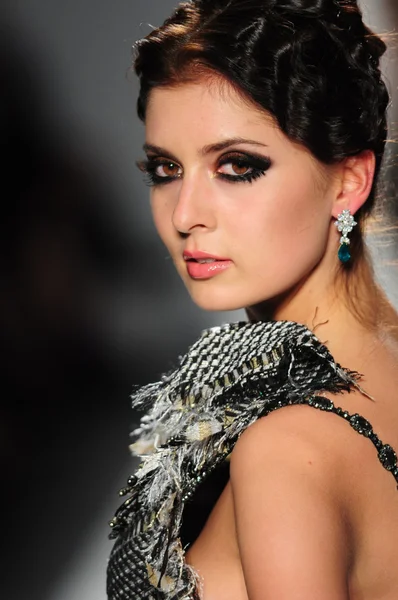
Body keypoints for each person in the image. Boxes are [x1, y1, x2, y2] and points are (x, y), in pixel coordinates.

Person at [106, 0, 398, 598]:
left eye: (236, 166)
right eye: (165, 169)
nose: (185, 215)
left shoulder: (286, 448)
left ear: (348, 181)